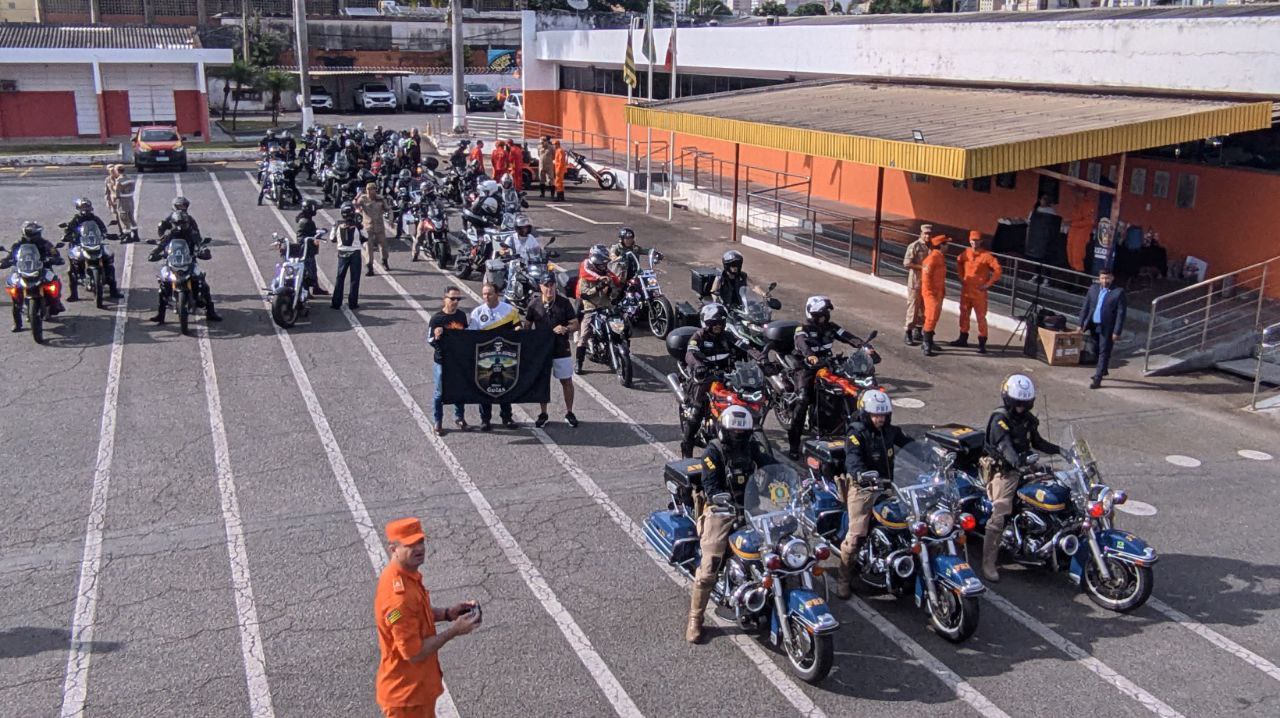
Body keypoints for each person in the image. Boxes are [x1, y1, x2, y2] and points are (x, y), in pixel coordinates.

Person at [685, 405, 776, 643]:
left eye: (741, 431)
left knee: (777, 547)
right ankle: (695, 618)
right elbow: (710, 485)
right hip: (721, 510)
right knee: (708, 568)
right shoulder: (712, 452)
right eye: (734, 431)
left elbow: (770, 464)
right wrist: (718, 498)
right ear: (724, 429)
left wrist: (783, 477)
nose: (738, 435)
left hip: (750, 507)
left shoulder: (751, 447)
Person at [375, 517, 480, 718]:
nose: (419, 548)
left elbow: (416, 613)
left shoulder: (405, 576)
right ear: (393, 549)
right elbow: (414, 653)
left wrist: (448, 613)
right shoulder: (398, 599)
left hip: (416, 691)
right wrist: (454, 631)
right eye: (410, 544)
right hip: (407, 698)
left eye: (421, 541)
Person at [980, 374, 1062, 582]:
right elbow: (1005, 446)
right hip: (1003, 470)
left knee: (1056, 485)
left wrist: (1062, 450)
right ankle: (989, 563)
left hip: (1025, 465)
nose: (1020, 407)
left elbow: (1038, 442)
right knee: (1000, 512)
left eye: (1025, 404)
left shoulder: (1027, 419)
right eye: (1017, 403)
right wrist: (1017, 462)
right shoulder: (1000, 419)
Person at [832, 389, 913, 599]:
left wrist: (932, 454)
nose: (880, 419)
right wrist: (860, 474)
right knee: (856, 534)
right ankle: (844, 579)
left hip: (888, 484)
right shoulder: (856, 433)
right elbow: (852, 459)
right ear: (866, 414)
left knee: (914, 521)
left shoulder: (890, 431)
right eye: (876, 415)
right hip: (864, 488)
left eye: (883, 415)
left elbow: (911, 445)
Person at [787, 295, 867, 459]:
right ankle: (794, 444)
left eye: (825, 314)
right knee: (803, 400)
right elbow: (801, 343)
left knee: (848, 386)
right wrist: (809, 355)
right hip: (806, 366)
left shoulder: (831, 327)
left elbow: (847, 336)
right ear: (811, 314)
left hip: (827, 364)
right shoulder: (802, 329)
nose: (823, 318)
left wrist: (864, 345)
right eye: (819, 315)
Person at [680, 303, 760, 458]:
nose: (717, 326)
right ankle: (686, 452)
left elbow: (745, 346)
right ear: (706, 323)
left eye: (720, 322)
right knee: (695, 415)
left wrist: (760, 357)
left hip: (726, 376)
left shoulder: (727, 335)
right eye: (713, 323)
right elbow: (690, 353)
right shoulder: (698, 337)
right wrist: (698, 366)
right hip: (704, 378)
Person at [524, 275, 579, 428]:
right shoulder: (534, 304)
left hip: (561, 348)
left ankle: (569, 412)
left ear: (555, 286)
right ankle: (543, 413)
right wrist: (529, 343)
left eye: (552, 285)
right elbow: (527, 326)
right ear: (540, 287)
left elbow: (576, 324)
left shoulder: (564, 303)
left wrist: (565, 328)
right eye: (546, 285)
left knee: (566, 381)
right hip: (542, 350)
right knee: (542, 382)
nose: (549, 288)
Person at [148, 210, 221, 323]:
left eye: (183, 223)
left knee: (203, 284)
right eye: (177, 223)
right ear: (173, 224)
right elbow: (162, 244)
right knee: (162, 286)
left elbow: (199, 243)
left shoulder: (192, 233)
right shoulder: (171, 234)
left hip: (190, 261)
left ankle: (211, 312)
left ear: (187, 223)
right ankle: (160, 315)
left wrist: (204, 250)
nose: (180, 226)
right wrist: (154, 253)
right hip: (172, 262)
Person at [468, 282, 520, 431]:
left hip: (505, 357)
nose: (486, 297)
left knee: (505, 386)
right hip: (484, 358)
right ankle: (485, 420)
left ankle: (507, 417)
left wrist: (517, 330)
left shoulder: (509, 310)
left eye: (489, 294)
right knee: (484, 387)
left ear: (497, 294)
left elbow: (518, 327)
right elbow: (470, 335)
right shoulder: (477, 312)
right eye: (484, 294)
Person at [3, 221, 66, 327]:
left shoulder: (45, 243)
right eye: (32, 233)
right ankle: (17, 323)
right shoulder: (18, 244)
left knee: (55, 282)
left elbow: (54, 252)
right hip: (22, 270)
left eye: (36, 233)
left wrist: (55, 258)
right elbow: (10, 255)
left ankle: (55, 303)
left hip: (42, 269)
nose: (35, 235)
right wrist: (5, 261)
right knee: (14, 290)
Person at [61, 198, 122, 301]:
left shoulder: (95, 218)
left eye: (87, 206)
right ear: (78, 208)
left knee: (108, 260)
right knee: (72, 269)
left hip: (95, 244)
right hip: (80, 245)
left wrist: (105, 234)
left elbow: (103, 229)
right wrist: (68, 236)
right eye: (83, 207)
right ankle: (73, 294)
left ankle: (113, 290)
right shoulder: (76, 219)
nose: (85, 209)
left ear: (90, 207)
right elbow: (68, 230)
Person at [952, 230, 1002, 354]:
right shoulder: (966, 252)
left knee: (981, 318)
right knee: (964, 315)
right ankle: (963, 338)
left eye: (977, 240)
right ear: (970, 241)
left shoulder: (986, 256)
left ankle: (982, 343)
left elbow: (998, 270)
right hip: (966, 291)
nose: (974, 243)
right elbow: (958, 261)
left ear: (981, 241)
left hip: (979, 293)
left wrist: (988, 284)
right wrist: (961, 277)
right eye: (973, 240)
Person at [429, 287, 470, 435]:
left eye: (458, 299)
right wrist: (436, 337)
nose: (456, 302)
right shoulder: (436, 318)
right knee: (439, 393)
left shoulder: (461, 316)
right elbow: (429, 340)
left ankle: (460, 418)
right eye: (452, 298)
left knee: (459, 390)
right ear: (444, 299)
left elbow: (466, 335)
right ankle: (438, 422)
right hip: (442, 361)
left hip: (458, 360)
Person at [574, 244, 620, 375]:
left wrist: (611, 290)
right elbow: (584, 294)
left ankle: (622, 346)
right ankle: (578, 363)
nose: (604, 267)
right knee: (584, 335)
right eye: (601, 265)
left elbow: (615, 293)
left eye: (605, 264)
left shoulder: (607, 276)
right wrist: (598, 287)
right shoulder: (585, 277)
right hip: (591, 308)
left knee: (623, 324)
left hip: (606, 307)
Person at [1077, 268, 1127, 389]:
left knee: (1103, 352)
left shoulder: (1118, 292)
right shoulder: (1093, 289)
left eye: (1107, 278)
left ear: (1112, 278)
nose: (1105, 281)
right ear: (1099, 278)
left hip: (1107, 327)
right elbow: (1086, 307)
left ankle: (1098, 378)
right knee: (1095, 349)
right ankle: (1103, 370)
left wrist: (1117, 331)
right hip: (1093, 325)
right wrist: (1080, 323)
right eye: (1103, 278)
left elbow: (1121, 314)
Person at [330, 202, 366, 311]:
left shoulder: (337, 224)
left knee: (340, 278)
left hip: (342, 254)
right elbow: (366, 237)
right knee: (354, 279)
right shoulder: (358, 225)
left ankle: (336, 303)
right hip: (355, 254)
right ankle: (353, 303)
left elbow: (332, 238)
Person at [919, 233, 949, 357]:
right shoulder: (932, 258)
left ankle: (929, 341)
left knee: (934, 317)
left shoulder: (939, 257)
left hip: (938, 292)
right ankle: (926, 343)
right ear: (941, 245)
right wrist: (930, 293)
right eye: (946, 244)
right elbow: (926, 277)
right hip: (931, 293)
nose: (948, 247)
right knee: (930, 317)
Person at [902, 224, 931, 346]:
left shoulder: (931, 247)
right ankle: (908, 332)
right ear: (921, 234)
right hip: (915, 282)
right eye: (925, 233)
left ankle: (918, 331)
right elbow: (906, 263)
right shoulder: (914, 246)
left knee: (924, 309)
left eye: (929, 234)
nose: (927, 236)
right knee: (913, 308)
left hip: (927, 284)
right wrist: (922, 267)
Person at [293, 199, 327, 296]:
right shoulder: (307, 222)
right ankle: (306, 291)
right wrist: (320, 232)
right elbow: (312, 234)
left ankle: (316, 288)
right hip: (306, 249)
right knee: (308, 271)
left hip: (306, 248)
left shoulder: (304, 219)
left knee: (313, 269)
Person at [355, 182, 389, 276]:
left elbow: (387, 208)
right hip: (368, 227)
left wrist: (390, 219)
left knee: (383, 245)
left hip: (379, 226)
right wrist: (357, 196)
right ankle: (369, 267)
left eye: (372, 189)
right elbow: (355, 204)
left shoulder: (380, 199)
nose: (370, 191)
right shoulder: (363, 199)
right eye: (368, 189)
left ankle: (384, 261)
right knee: (368, 247)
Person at [111, 165, 138, 243]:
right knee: (131, 218)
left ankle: (128, 236)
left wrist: (113, 194)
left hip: (123, 202)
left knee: (124, 219)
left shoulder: (119, 181)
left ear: (117, 171)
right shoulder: (130, 179)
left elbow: (117, 194)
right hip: (130, 200)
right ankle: (136, 235)